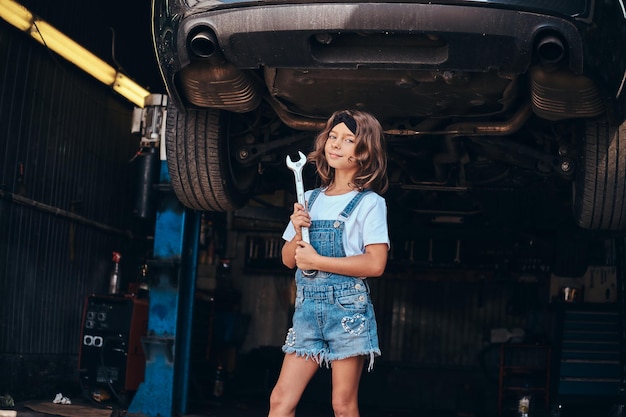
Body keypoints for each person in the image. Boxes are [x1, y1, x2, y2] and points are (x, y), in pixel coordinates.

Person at [269, 110, 390, 417]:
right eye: (333, 137)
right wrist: (297, 231)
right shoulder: (309, 198)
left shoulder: (370, 203)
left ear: (365, 151)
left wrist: (318, 260)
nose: (336, 144)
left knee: (343, 405)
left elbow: (376, 264)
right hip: (308, 311)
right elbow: (287, 260)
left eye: (349, 140)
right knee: (281, 401)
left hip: (347, 312)